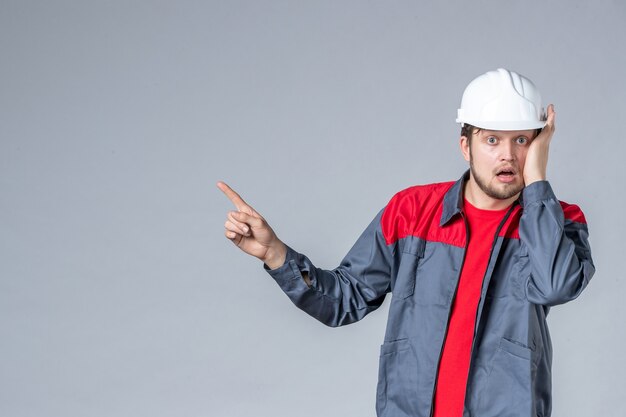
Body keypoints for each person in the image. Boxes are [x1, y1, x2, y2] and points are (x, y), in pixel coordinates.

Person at [217, 68, 595, 417]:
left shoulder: (559, 219)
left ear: (538, 146)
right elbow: (344, 300)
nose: (507, 155)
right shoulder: (411, 212)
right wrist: (275, 253)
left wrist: (538, 185)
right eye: (492, 139)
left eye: (522, 140)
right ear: (466, 146)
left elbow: (557, 286)